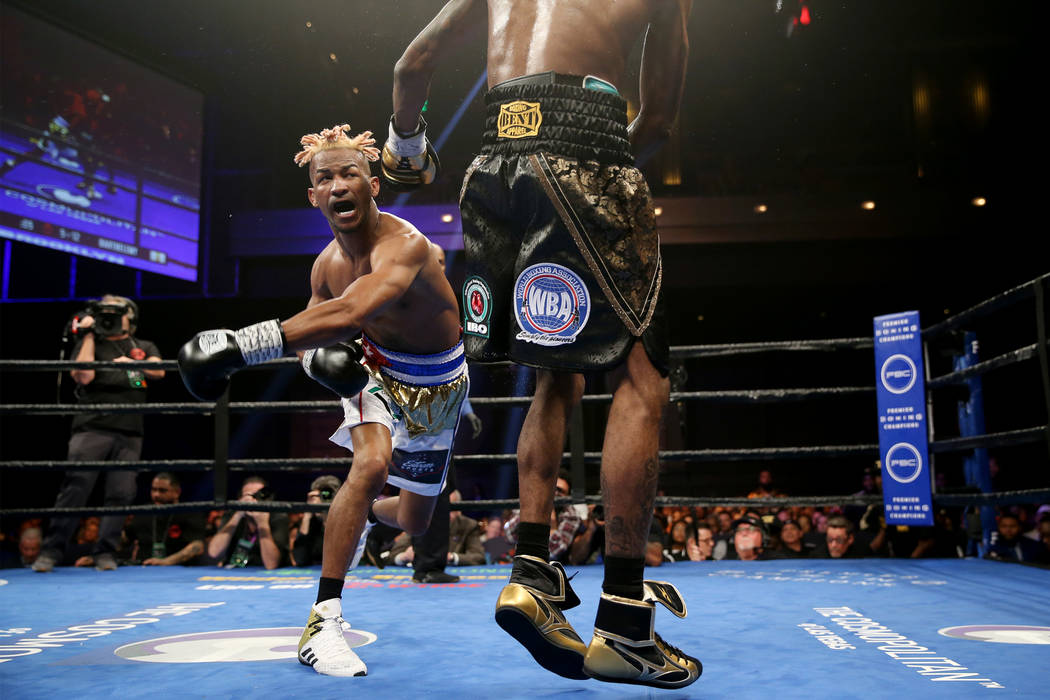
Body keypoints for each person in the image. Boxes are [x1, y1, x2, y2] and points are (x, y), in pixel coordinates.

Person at [390, 2, 697, 687]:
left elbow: (413, 63)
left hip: (491, 167)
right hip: (584, 152)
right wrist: (611, 160)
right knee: (643, 375)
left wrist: (405, 151)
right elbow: (661, 116)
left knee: (555, 371)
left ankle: (532, 571)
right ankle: (621, 620)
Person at [177, 124, 468, 678]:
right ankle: (323, 621)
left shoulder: (405, 244)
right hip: (375, 370)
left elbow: (353, 311)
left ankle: (355, 519)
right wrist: (318, 362)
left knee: (413, 519)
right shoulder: (325, 267)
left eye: (348, 173)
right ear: (312, 195)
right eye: (324, 178)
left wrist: (242, 346)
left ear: (373, 184)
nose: (337, 185)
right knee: (371, 465)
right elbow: (320, 339)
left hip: (439, 384)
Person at [34, 295, 164, 573]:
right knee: (76, 488)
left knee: (122, 493)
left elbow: (159, 371)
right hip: (92, 427)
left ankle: (105, 552)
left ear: (131, 316)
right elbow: (83, 377)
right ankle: (51, 550)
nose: (113, 317)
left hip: (130, 431)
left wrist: (127, 362)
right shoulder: (91, 344)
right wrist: (90, 334)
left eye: (118, 312)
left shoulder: (142, 346)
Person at [122, 472, 206, 566]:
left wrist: (167, 561)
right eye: (154, 490)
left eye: (162, 491)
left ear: (177, 492)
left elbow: (198, 546)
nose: (156, 495)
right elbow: (124, 539)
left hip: (179, 571)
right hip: (144, 569)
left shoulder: (189, 513)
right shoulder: (143, 512)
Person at [206, 476, 289, 570]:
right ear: (240, 498)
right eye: (249, 496)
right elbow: (214, 553)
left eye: (258, 496)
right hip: (234, 572)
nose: (253, 501)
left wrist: (263, 524)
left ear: (267, 498)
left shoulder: (278, 517)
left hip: (265, 573)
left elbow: (271, 565)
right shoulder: (232, 514)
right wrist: (238, 515)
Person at [291, 475, 342, 567]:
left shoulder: (349, 518)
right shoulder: (311, 523)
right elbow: (300, 559)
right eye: (320, 495)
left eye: (326, 494)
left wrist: (327, 515)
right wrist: (307, 514)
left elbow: (340, 557)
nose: (322, 499)